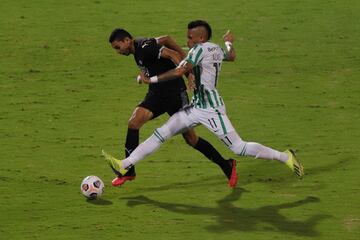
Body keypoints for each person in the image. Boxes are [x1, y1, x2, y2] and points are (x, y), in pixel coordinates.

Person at [103, 20, 304, 182]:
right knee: (161, 133)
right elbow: (231, 56)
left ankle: (285, 156)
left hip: (212, 109)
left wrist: (151, 79)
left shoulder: (198, 50)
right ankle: (125, 164)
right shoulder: (214, 48)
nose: (187, 40)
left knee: (239, 147)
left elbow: (180, 69)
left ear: (201, 37)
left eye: (190, 37)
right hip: (196, 107)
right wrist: (228, 42)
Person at [107, 28, 238, 187]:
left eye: (117, 47)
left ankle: (227, 166)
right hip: (156, 94)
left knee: (191, 139)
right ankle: (128, 171)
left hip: (174, 94)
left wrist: (188, 73)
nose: (118, 52)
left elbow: (173, 55)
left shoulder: (144, 47)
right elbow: (166, 38)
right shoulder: (140, 47)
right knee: (134, 122)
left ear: (126, 41)